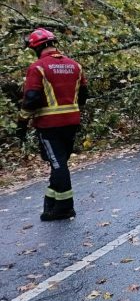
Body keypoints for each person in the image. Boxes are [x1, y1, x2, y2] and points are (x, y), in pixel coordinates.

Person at [16, 28, 88, 221]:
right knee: (60, 162)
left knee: (58, 165)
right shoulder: (75, 66)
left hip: (49, 125)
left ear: (37, 48)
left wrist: (21, 121)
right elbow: (84, 95)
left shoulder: (38, 68)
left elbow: (31, 98)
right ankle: (51, 204)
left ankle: (65, 208)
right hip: (72, 122)